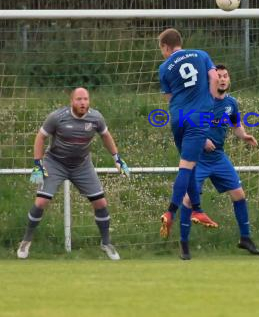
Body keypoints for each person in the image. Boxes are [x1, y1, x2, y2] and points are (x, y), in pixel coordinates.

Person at [17, 87, 130, 260]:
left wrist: (117, 158)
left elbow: (106, 136)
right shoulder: (57, 117)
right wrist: (37, 164)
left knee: (101, 203)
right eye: (79, 99)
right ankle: (26, 241)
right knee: (41, 202)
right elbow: (40, 137)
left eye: (85, 99)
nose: (82, 102)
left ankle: (106, 243)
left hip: (82, 165)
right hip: (55, 163)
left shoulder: (96, 118)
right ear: (72, 101)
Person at [179, 65, 259, 258]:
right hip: (197, 159)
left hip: (218, 158)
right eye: (219, 76)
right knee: (189, 199)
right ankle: (184, 245)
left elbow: (236, 124)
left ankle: (245, 238)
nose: (222, 79)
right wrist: (201, 139)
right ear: (211, 80)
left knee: (239, 195)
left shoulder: (231, 103)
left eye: (225, 76)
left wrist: (244, 136)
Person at [157, 28, 219, 260]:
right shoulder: (201, 55)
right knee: (186, 166)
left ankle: (198, 210)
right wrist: (210, 102)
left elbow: (169, 98)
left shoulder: (164, 68)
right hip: (199, 116)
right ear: (179, 43)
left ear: (165, 47)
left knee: (189, 164)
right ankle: (171, 210)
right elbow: (213, 77)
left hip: (178, 118)